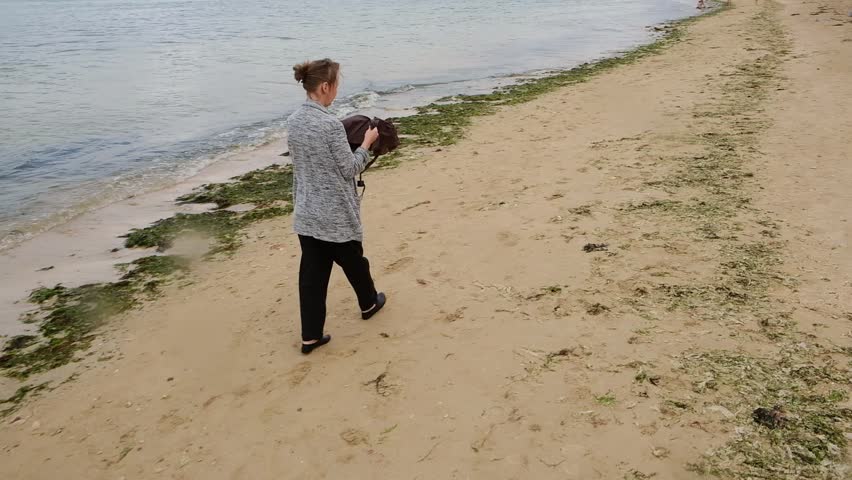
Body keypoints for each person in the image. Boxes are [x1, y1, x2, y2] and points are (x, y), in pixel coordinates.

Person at [285, 58, 387, 354]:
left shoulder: (293, 121)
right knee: (355, 261)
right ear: (325, 87)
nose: (337, 92)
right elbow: (348, 168)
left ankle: (311, 336)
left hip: (307, 212)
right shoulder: (330, 124)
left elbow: (307, 164)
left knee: (312, 277)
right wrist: (366, 144)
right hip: (334, 215)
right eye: (336, 86)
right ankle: (369, 303)